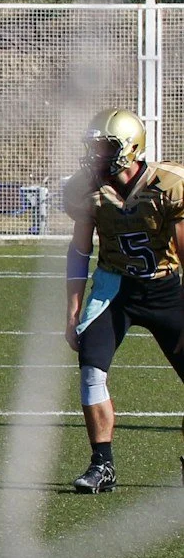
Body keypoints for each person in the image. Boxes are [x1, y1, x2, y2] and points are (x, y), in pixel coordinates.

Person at [61, 107, 184, 493]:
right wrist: (73, 308)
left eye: (105, 147)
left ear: (131, 147)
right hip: (115, 288)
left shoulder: (169, 186)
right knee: (91, 368)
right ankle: (102, 465)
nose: (96, 155)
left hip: (166, 288)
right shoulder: (87, 189)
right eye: (93, 147)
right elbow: (79, 252)